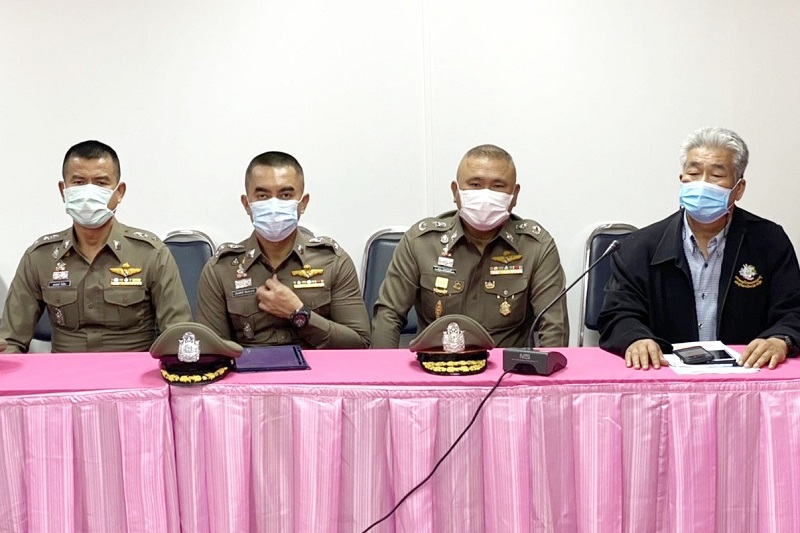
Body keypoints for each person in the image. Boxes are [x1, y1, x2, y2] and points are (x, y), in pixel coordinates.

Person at [598, 126, 800, 370]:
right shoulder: (639, 247)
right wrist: (636, 339)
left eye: (716, 175)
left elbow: (793, 309)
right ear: (681, 180)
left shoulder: (769, 241)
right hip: (666, 375)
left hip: (746, 374)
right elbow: (617, 314)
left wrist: (781, 339)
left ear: (738, 189)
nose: (702, 184)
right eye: (693, 173)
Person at [0, 140, 192, 353]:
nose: (89, 192)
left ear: (119, 192)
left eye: (101, 183)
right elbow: (10, 342)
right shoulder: (40, 258)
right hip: (65, 371)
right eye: (79, 182)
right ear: (63, 190)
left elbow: (178, 338)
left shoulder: (150, 254)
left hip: (134, 372)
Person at [371, 144, 569, 348]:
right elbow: (389, 316)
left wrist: (545, 368)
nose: (486, 196)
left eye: (498, 186)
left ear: (514, 195)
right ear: (456, 191)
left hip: (508, 365)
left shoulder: (536, 246)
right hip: (435, 363)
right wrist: (384, 367)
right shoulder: (421, 242)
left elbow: (554, 327)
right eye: (475, 184)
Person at [195, 151, 370, 348]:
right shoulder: (220, 270)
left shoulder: (333, 261)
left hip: (316, 367)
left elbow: (360, 344)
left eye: (285, 195)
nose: (273, 206)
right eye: (262, 196)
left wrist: (299, 314)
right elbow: (212, 351)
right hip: (252, 368)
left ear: (303, 204)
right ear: (247, 205)